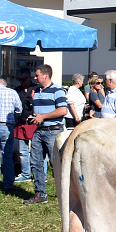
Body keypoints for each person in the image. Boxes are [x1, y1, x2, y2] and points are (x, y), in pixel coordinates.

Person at [26, 64, 68, 205]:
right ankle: (40, 194)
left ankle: (65, 194)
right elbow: (39, 113)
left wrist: (43, 117)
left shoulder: (58, 91)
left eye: (37, 75)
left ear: (45, 75)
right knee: (36, 162)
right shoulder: (37, 91)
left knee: (56, 163)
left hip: (53, 131)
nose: (35, 77)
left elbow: (63, 110)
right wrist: (34, 117)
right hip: (39, 130)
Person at [12, 69, 36, 183]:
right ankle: (26, 173)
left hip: (34, 122)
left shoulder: (36, 89)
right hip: (21, 122)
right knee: (22, 151)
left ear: (29, 78)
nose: (21, 82)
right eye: (19, 79)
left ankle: (40, 174)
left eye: (23, 79)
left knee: (37, 150)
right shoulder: (17, 90)